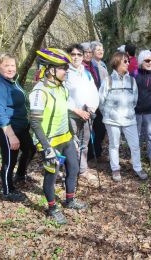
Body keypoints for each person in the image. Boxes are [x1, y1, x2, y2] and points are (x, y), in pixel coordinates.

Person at [30, 48, 87, 225]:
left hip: (65, 138)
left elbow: (63, 114)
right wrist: (47, 148)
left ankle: (69, 200)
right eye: (62, 68)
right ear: (50, 69)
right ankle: (52, 208)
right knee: (51, 177)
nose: (66, 71)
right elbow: (35, 123)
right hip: (49, 141)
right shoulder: (40, 92)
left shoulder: (62, 88)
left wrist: (73, 136)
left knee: (74, 169)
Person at [0, 53, 35, 201]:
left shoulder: (13, 81)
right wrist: (11, 135)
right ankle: (8, 190)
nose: (10, 68)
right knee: (10, 160)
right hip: (7, 129)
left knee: (30, 149)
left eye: (12, 65)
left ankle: (20, 174)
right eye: (6, 65)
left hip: (21, 126)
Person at [99, 52, 147, 181]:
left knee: (135, 145)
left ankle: (138, 167)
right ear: (117, 62)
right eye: (124, 61)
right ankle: (115, 169)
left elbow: (135, 100)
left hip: (129, 119)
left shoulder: (132, 80)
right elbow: (101, 101)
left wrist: (128, 111)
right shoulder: (107, 81)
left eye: (128, 61)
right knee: (114, 145)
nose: (127, 63)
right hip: (112, 120)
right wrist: (109, 114)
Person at [65, 44, 99, 184]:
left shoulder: (86, 72)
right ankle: (72, 170)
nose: (76, 57)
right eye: (73, 54)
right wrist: (76, 110)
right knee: (73, 144)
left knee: (84, 143)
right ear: (68, 56)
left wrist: (92, 109)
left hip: (87, 115)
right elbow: (62, 97)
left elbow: (94, 92)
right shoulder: (65, 72)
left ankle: (83, 170)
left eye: (79, 54)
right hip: (71, 115)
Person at [132, 50, 151, 167]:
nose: (150, 63)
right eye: (147, 61)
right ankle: (135, 158)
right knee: (136, 136)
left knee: (150, 135)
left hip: (150, 111)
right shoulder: (134, 74)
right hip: (136, 111)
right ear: (141, 61)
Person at [81, 42, 106, 162]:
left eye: (90, 52)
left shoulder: (94, 66)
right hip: (83, 106)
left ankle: (96, 150)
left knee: (100, 129)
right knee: (87, 133)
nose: (88, 54)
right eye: (86, 52)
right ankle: (89, 155)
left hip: (96, 104)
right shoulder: (80, 67)